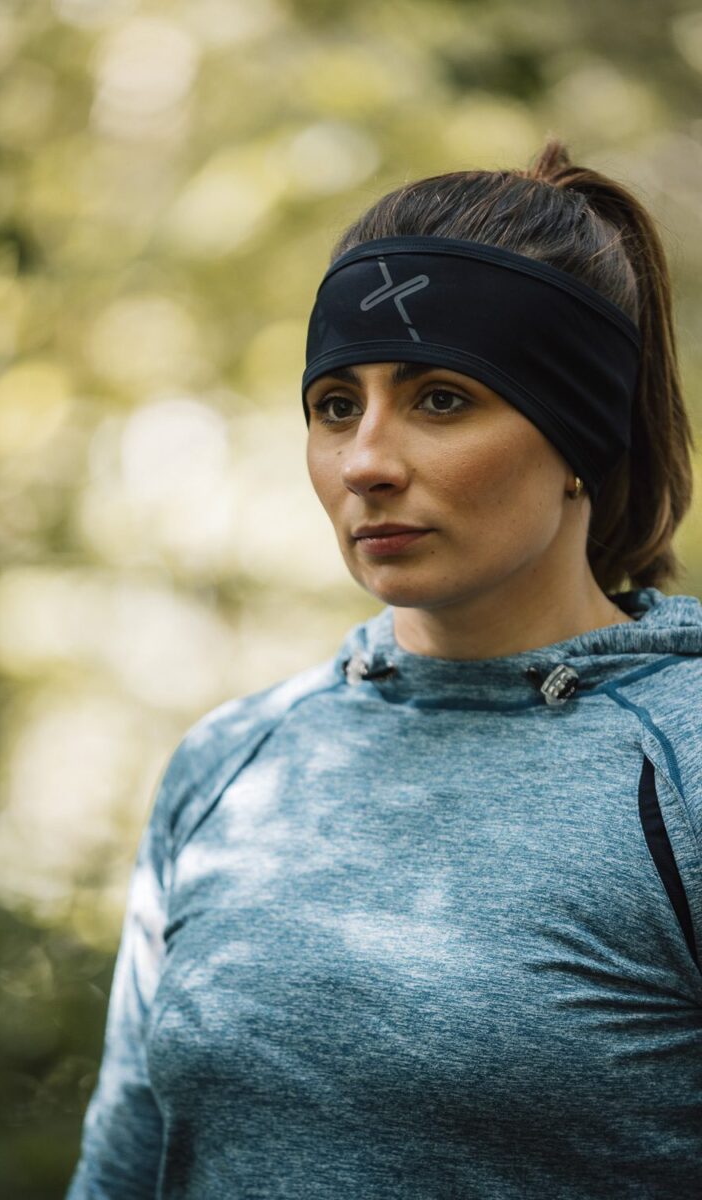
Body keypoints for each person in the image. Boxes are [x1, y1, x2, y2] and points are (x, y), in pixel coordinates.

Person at [65, 138, 702, 1199]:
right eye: (334, 406)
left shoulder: (681, 766)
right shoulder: (232, 763)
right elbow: (123, 1170)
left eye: (441, 399)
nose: (364, 461)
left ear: (579, 434)